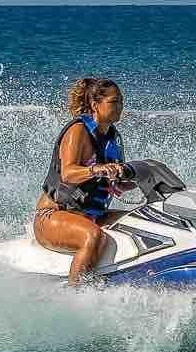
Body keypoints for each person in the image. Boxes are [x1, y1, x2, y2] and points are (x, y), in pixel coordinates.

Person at [35, 77, 130, 285]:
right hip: (54, 215)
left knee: (138, 221)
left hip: (92, 214)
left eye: (122, 101)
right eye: (114, 102)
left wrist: (135, 178)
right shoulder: (78, 131)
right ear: (96, 105)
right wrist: (98, 169)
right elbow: (68, 173)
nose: (120, 106)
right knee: (93, 236)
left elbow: (115, 183)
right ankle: (76, 293)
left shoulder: (113, 136)